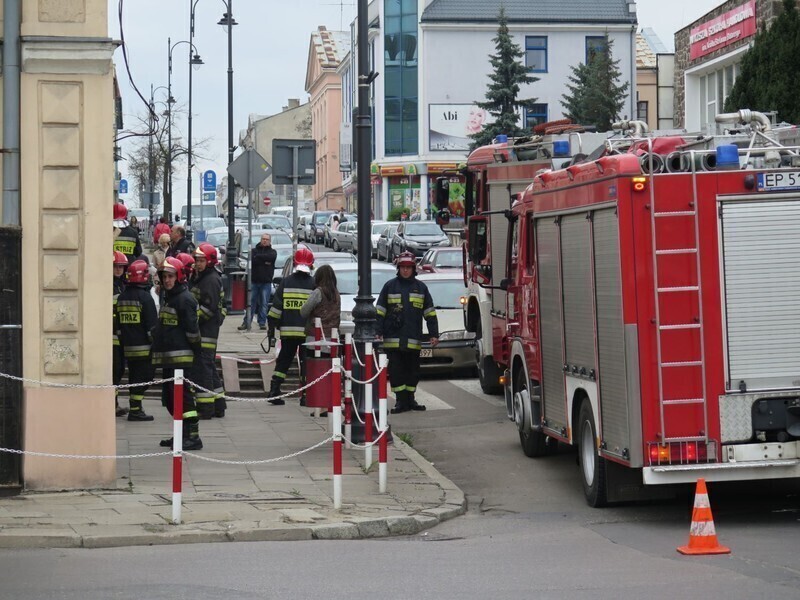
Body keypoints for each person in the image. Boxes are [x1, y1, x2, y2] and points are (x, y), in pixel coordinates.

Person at [375, 251, 439, 414]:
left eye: (408, 267)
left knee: (413, 372)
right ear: (398, 268)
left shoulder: (421, 288)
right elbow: (380, 311)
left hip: (413, 339)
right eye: (402, 267)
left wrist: (434, 334)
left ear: (413, 269)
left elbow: (430, 312)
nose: (405, 270)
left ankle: (410, 399)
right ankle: (400, 401)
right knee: (396, 372)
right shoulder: (389, 286)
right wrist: (378, 331)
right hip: (393, 340)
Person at [152, 257, 203, 450]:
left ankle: (193, 437)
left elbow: (192, 331)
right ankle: (180, 435)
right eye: (164, 276)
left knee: (185, 399)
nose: (167, 280)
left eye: (170, 276)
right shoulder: (170, 298)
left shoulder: (185, 299)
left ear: (179, 276)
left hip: (181, 360)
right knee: (171, 400)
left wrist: (196, 352)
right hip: (169, 360)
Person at [266, 247, 315, 405]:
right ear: (311, 264)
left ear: (295, 263)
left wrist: (272, 330)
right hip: (307, 334)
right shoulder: (314, 284)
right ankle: (306, 396)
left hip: (288, 333)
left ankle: (274, 390)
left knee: (284, 361)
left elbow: (275, 309)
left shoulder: (286, 282)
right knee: (306, 363)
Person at [190, 243, 227, 419]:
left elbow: (208, 308)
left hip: (206, 333)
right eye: (196, 260)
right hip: (207, 331)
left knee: (203, 370)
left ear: (210, 261)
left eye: (201, 260)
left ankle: (205, 408)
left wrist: (191, 320)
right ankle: (219, 405)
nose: (197, 263)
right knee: (209, 368)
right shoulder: (203, 277)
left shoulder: (210, 280)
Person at [116, 259, 157, 421]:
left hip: (127, 348)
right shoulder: (145, 298)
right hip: (144, 348)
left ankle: (135, 408)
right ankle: (136, 409)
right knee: (144, 377)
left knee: (134, 377)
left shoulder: (122, 297)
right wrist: (155, 344)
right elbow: (152, 326)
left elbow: (118, 324)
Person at [238, 233, 277, 331]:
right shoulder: (254, 251)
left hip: (266, 282)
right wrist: (264, 260)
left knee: (264, 303)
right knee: (250, 303)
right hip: (254, 282)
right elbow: (253, 260)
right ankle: (246, 322)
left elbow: (271, 258)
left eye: (267, 239)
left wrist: (259, 258)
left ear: (269, 241)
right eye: (263, 239)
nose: (264, 241)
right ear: (260, 240)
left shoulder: (273, 252)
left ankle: (262, 323)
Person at [113, 251, 129, 417]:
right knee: (115, 370)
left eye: (121, 267)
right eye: (116, 266)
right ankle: (113, 403)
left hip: (120, 337)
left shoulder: (121, 284)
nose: (118, 270)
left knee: (118, 371)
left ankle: (114, 403)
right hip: (112, 337)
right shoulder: (111, 285)